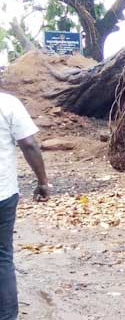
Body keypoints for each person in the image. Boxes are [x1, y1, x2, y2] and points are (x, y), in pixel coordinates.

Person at [0, 92, 50, 320]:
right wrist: (42, 182)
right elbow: (29, 144)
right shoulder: (8, 103)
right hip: (2, 194)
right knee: (2, 257)